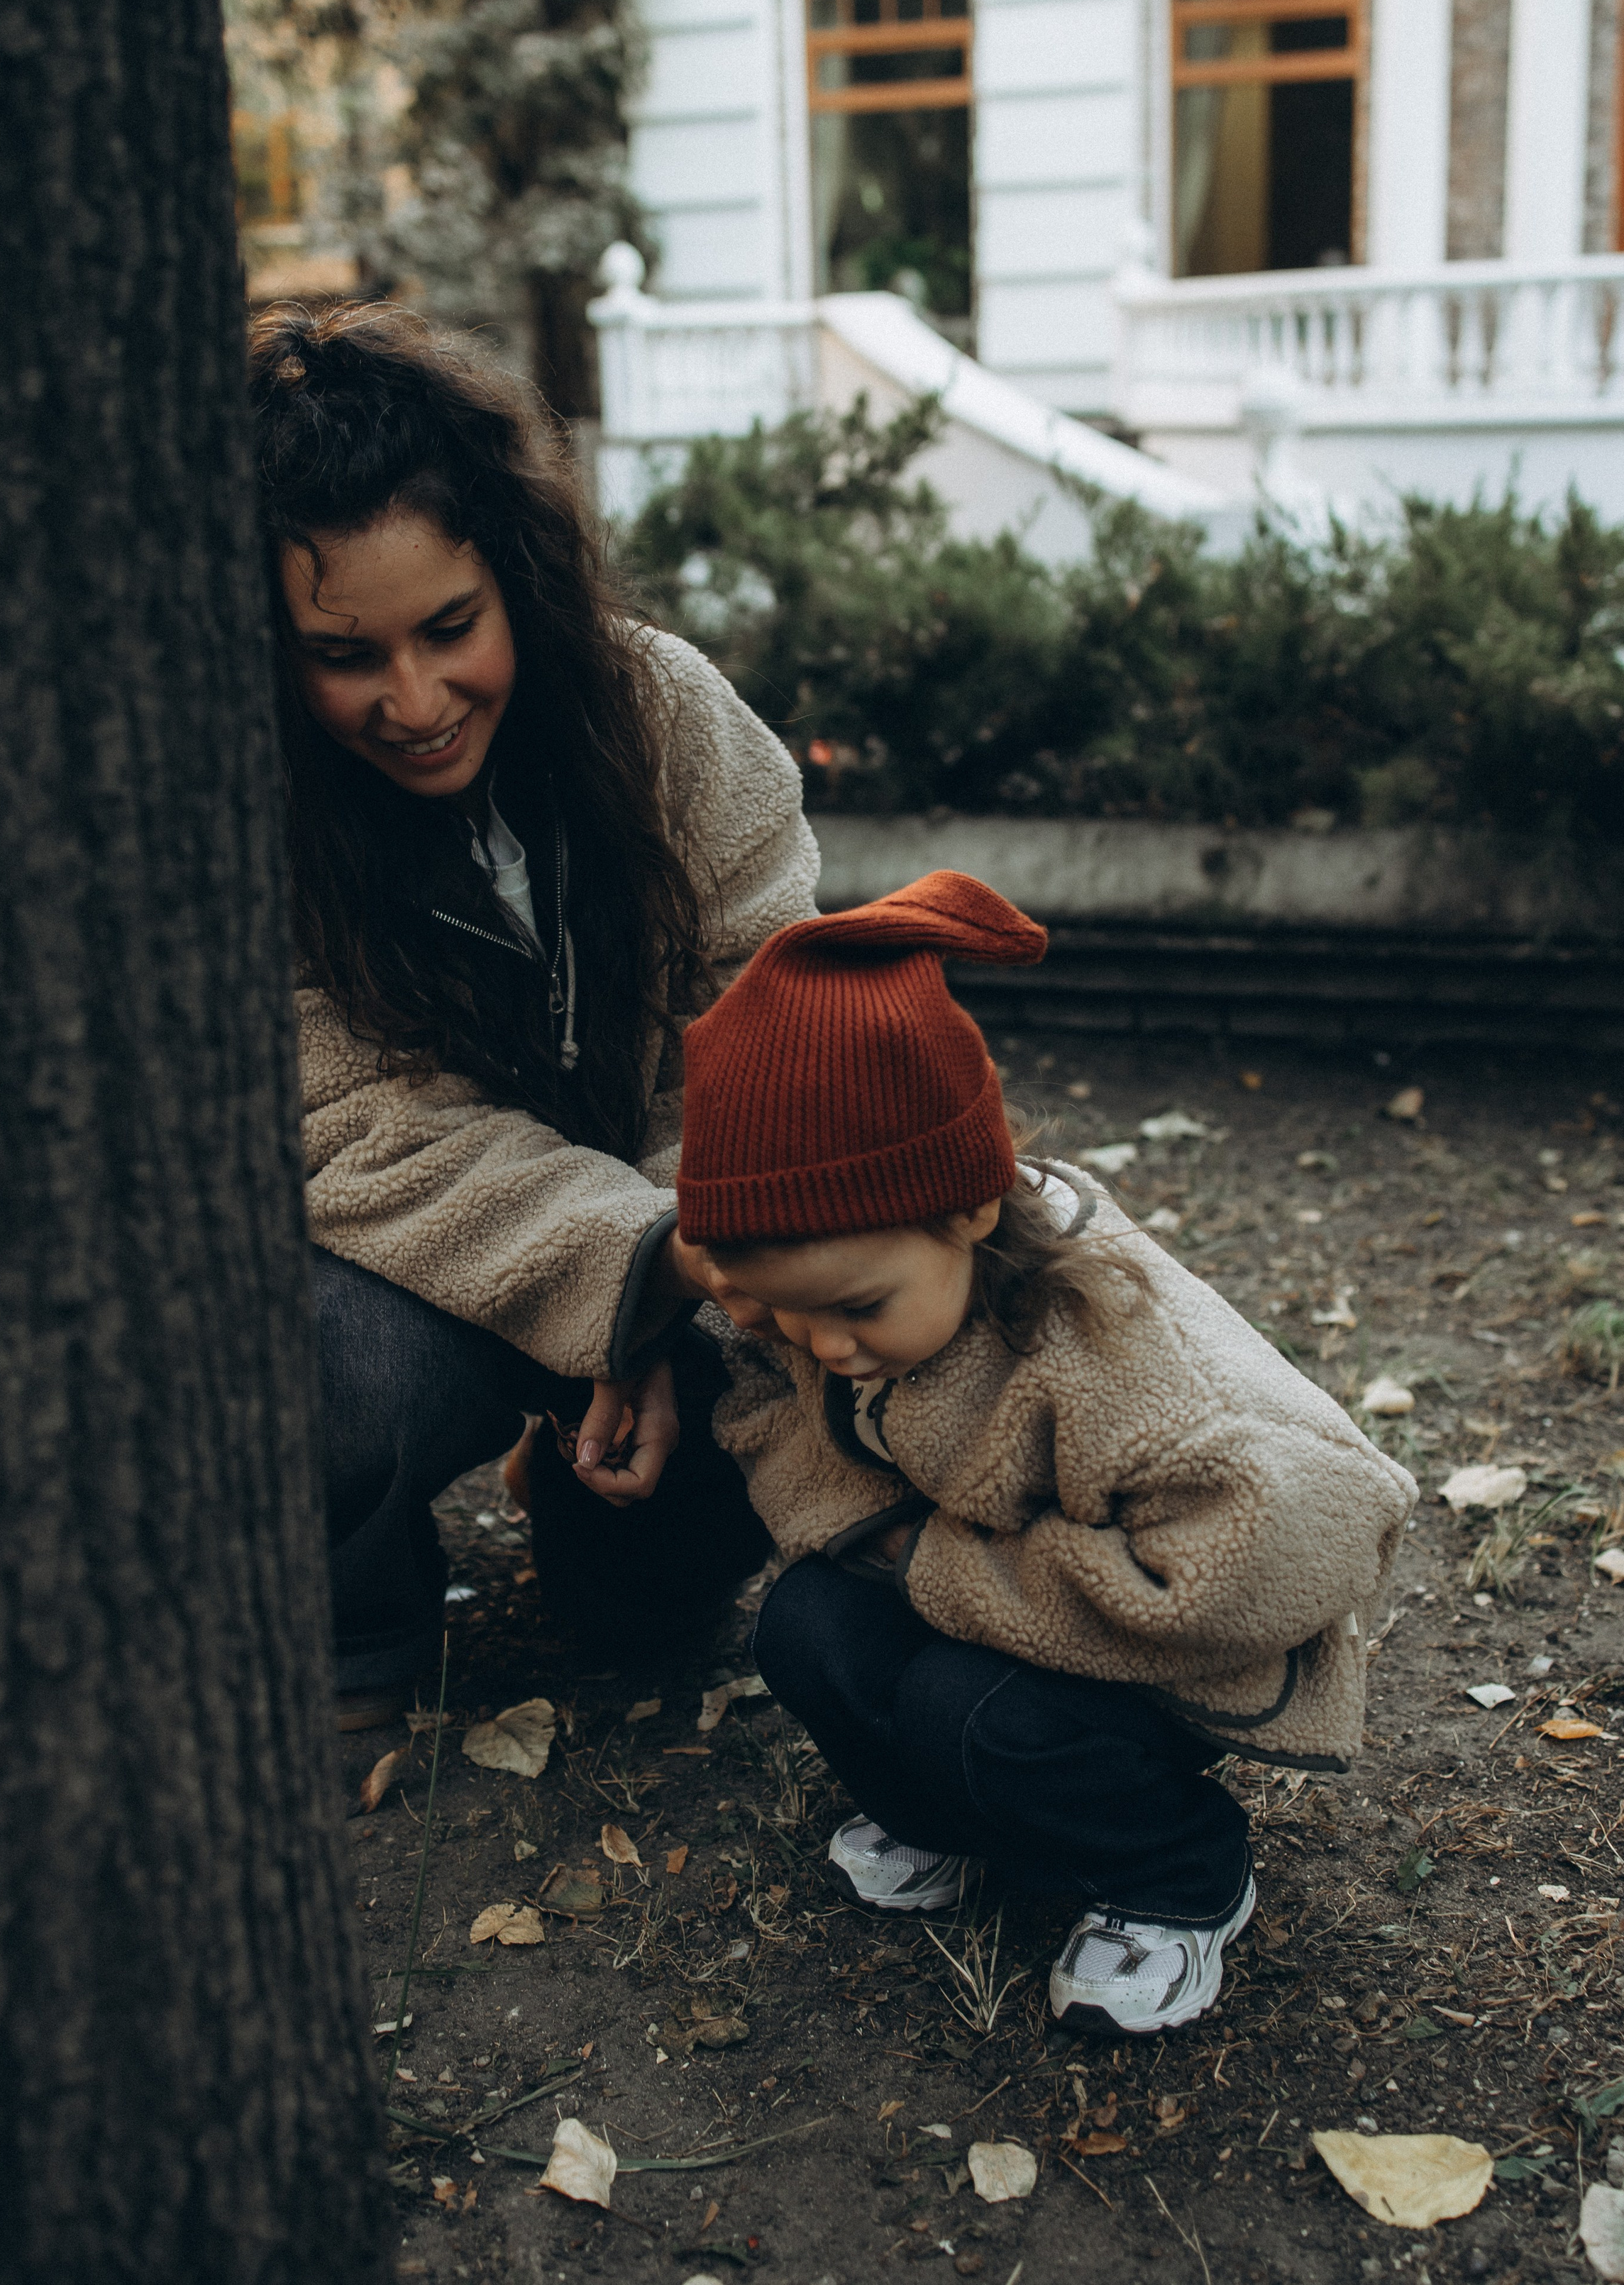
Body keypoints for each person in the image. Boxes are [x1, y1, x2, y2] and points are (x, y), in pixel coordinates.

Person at [673, 873, 1417, 2036]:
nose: (828, 1347)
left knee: (974, 1709)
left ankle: (1178, 1873)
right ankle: (949, 1818)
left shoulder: (1105, 1351)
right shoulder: (835, 1296)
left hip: (1159, 1660)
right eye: (788, 1313)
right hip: (982, 1593)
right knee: (804, 1625)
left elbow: (1279, 1544)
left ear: (968, 1210)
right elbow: (766, 1407)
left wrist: (936, 1566)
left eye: (857, 1309)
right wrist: (878, 1535)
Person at [248, 299, 818, 1726]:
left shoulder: (666, 716)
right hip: (411, 1278)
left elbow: (767, 1030)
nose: (415, 699)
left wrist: (662, 1307)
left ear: (516, 572)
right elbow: (351, 1127)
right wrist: (627, 1270)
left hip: (677, 1250)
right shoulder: (247, 820)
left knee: (654, 1594)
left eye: (451, 628)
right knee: (323, 1358)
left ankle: (588, 1503)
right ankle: (353, 1629)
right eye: (345, 655)